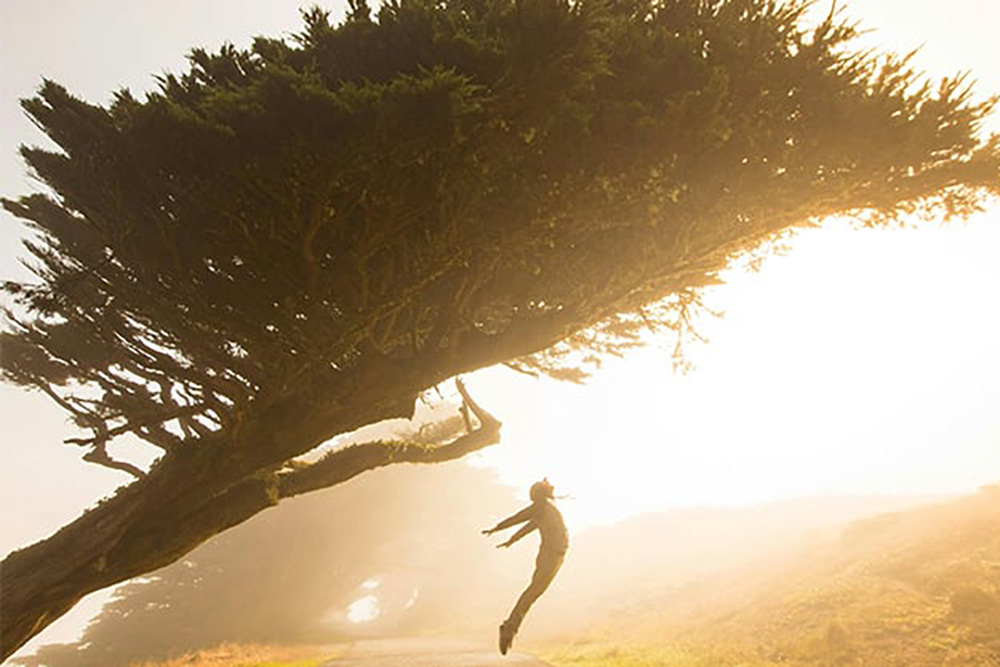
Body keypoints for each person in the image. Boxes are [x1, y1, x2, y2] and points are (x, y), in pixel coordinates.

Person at [482, 478, 569, 655]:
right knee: (532, 592)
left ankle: (510, 627)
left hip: (557, 556)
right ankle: (509, 628)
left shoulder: (545, 508)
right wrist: (498, 528)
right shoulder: (541, 506)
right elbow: (519, 518)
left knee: (534, 592)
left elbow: (528, 526)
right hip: (551, 555)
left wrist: (511, 540)